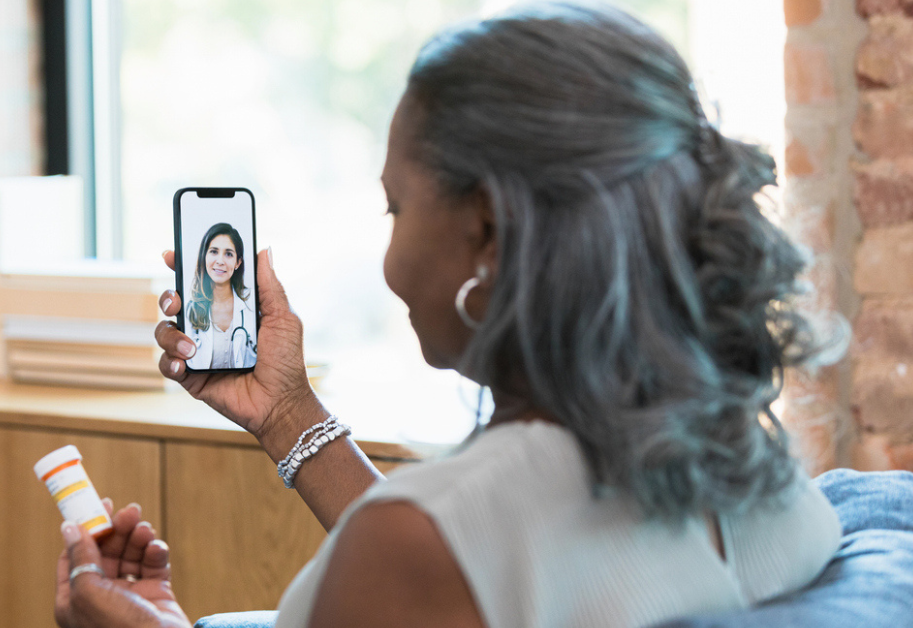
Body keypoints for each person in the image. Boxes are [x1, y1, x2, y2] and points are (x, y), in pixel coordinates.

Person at [53, 3, 843, 627]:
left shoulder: (415, 542)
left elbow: (453, 549)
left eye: (396, 208)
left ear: (489, 234)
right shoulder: (766, 477)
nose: (389, 256)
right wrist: (288, 413)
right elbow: (483, 566)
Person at [184, 222, 257, 370]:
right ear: (204, 256)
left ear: (238, 262)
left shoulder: (252, 309)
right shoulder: (190, 310)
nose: (220, 261)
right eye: (214, 251)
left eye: (229, 254)